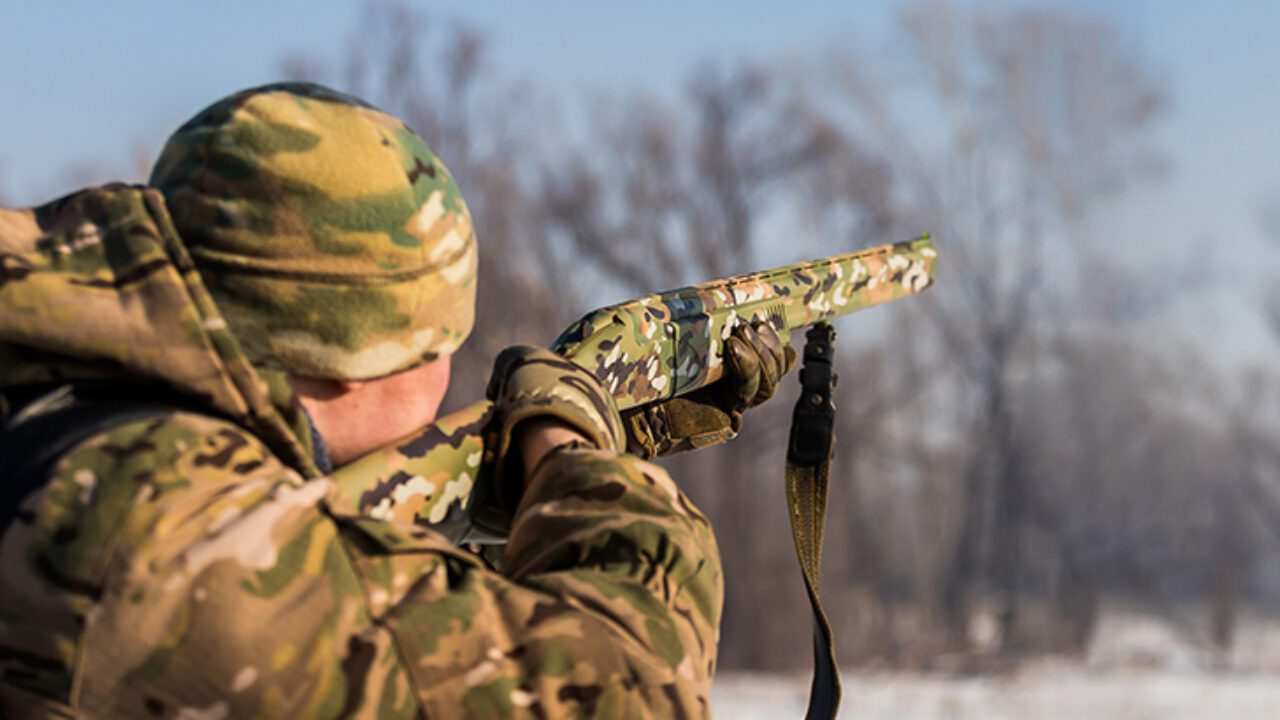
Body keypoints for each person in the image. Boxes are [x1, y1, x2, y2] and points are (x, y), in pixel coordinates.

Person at [0, 83, 794, 718]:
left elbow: (385, 592)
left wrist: (608, 442)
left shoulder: (71, 423)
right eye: (442, 344)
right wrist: (568, 445)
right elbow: (634, 685)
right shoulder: (159, 537)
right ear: (362, 356)